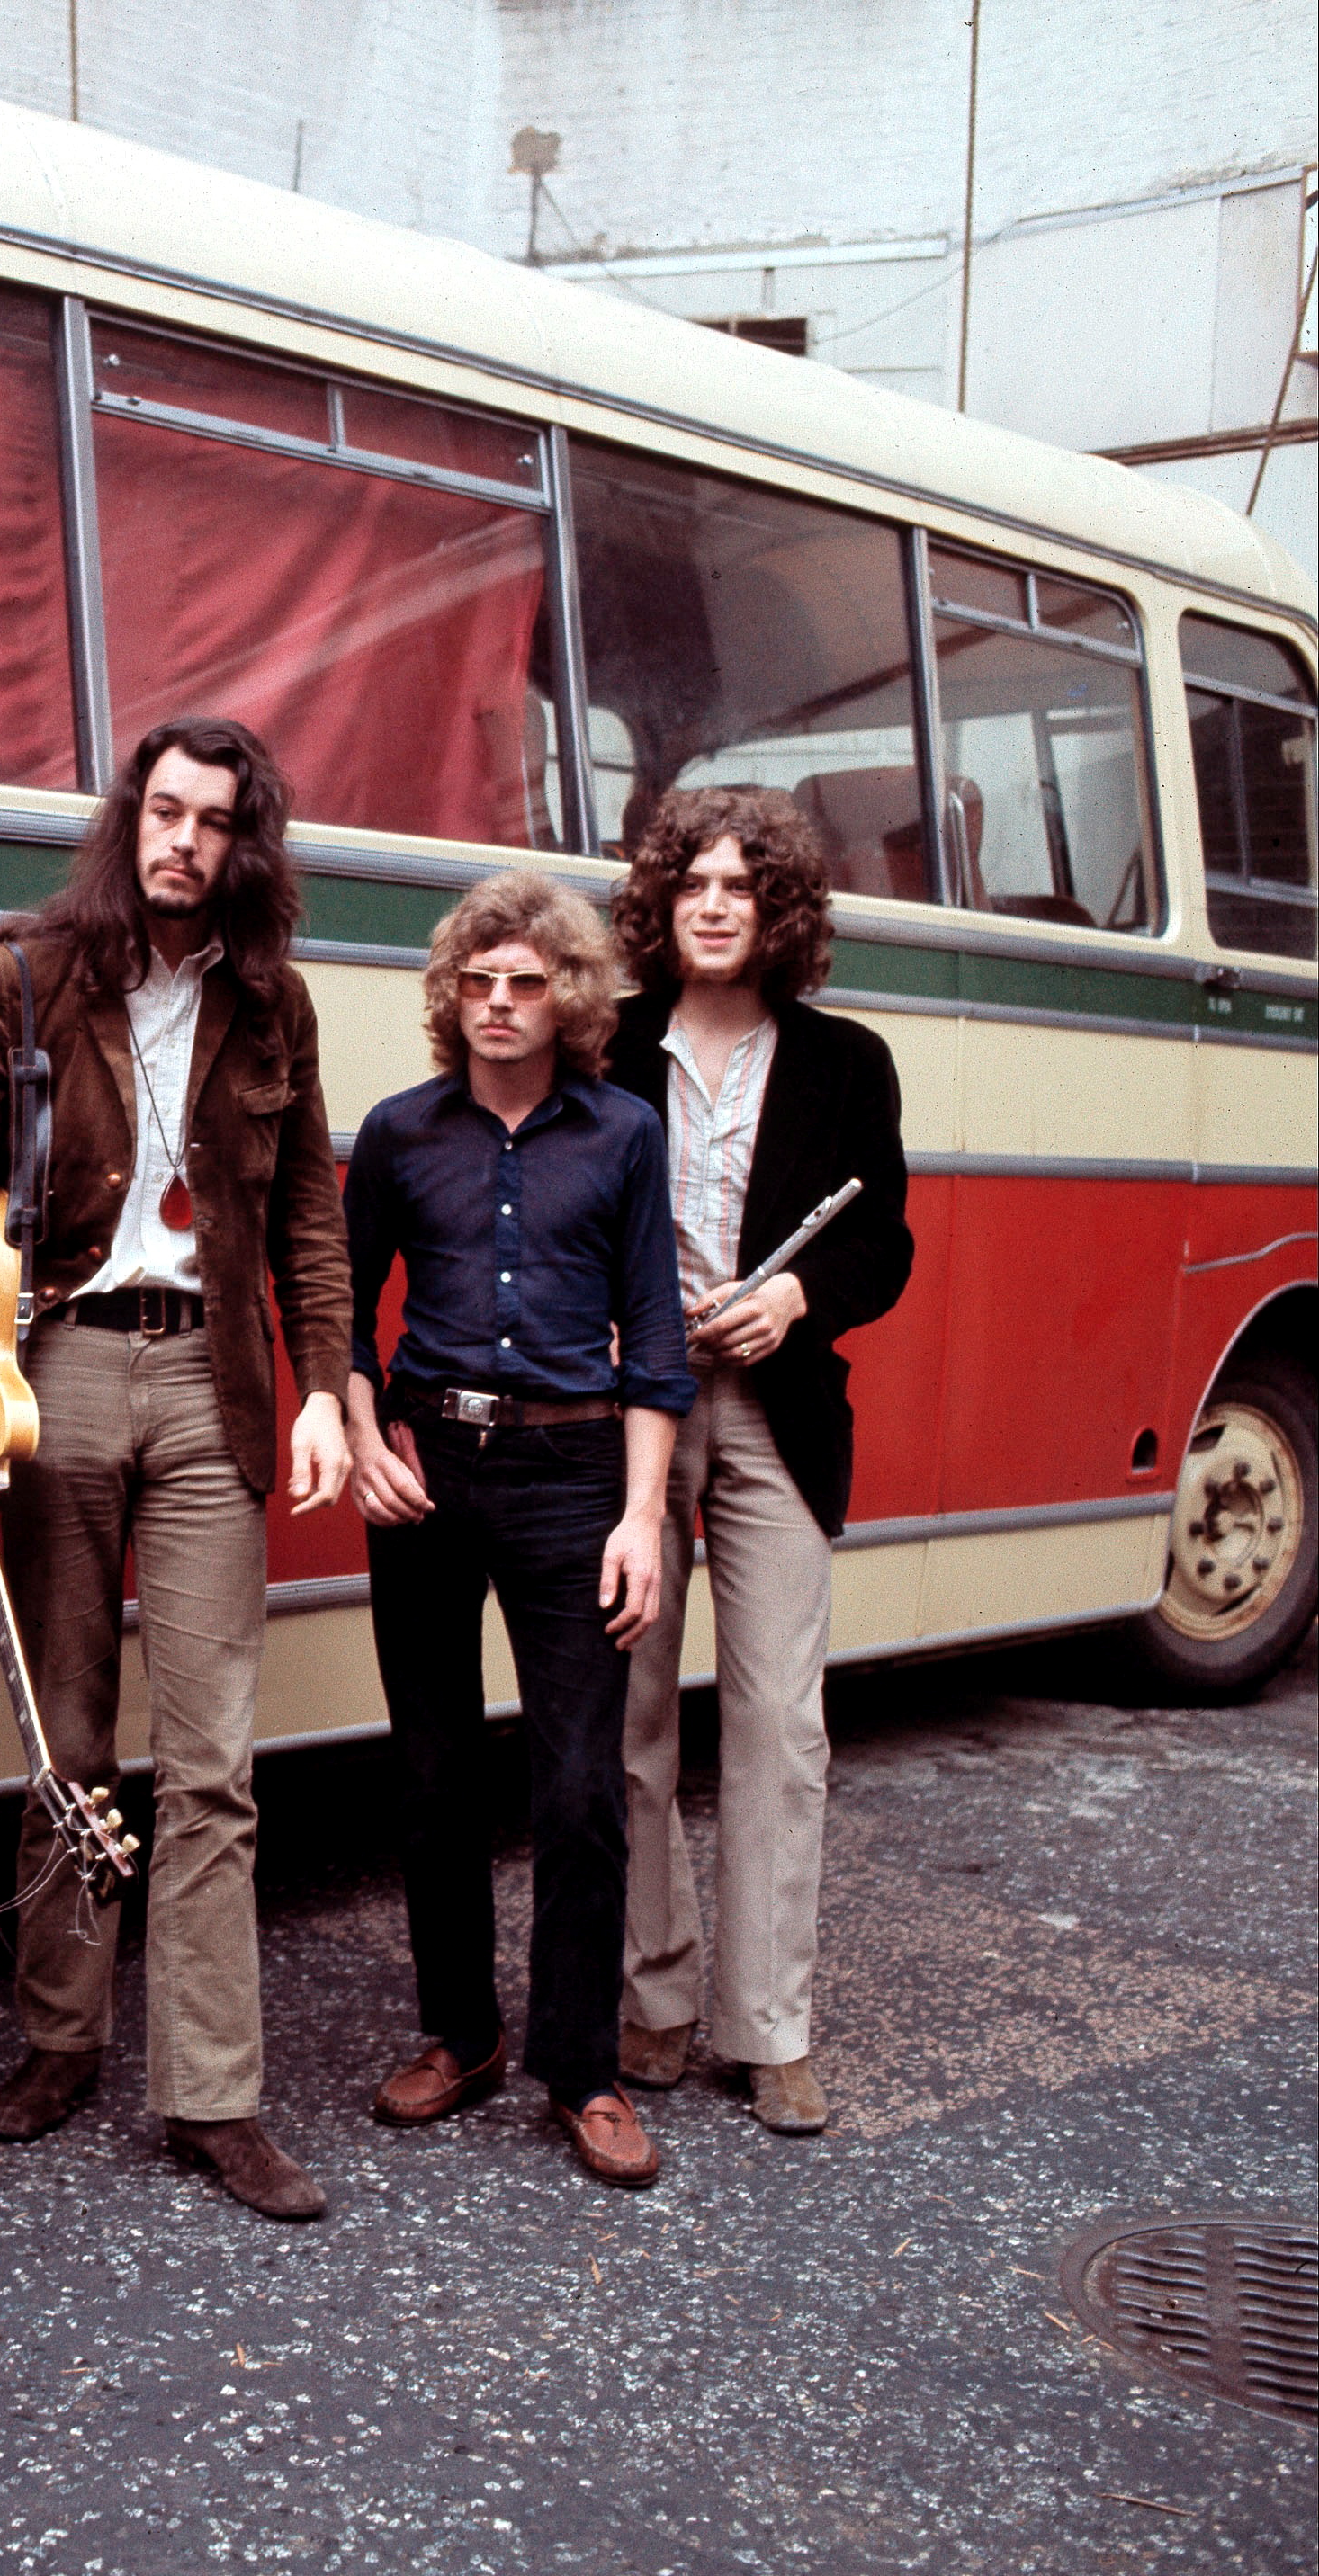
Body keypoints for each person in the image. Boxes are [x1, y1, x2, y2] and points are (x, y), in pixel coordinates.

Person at [0, 715, 353, 2223]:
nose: (184, 843)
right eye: (164, 811)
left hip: (217, 1378)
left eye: (215, 822)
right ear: (128, 819)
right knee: (64, 1727)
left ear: (244, 845)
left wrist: (329, 1391)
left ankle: (214, 2095)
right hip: (61, 1372)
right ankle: (57, 2037)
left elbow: (310, 1226)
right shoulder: (22, 974)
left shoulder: (272, 1007)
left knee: (212, 1759)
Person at [344, 868, 694, 2188]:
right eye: (476, 983)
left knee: (580, 1790)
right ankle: (461, 2034)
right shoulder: (397, 1133)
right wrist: (369, 1435)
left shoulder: (621, 1135)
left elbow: (655, 1338)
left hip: (574, 1479)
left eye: (524, 983)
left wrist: (645, 1517)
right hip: (430, 1474)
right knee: (433, 1776)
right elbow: (342, 1312)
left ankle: (582, 2071)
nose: (497, 1004)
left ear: (569, 999)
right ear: (452, 997)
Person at [606, 785, 914, 2135]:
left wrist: (793, 1300)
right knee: (632, 1717)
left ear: (777, 909)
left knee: (782, 1727)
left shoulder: (847, 1062)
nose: (717, 905)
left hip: (777, 1408)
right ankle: (655, 2001)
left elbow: (881, 1244)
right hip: (638, 1407)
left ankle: (768, 2026)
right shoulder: (604, 1047)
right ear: (662, 907)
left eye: (741, 886)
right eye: (694, 886)